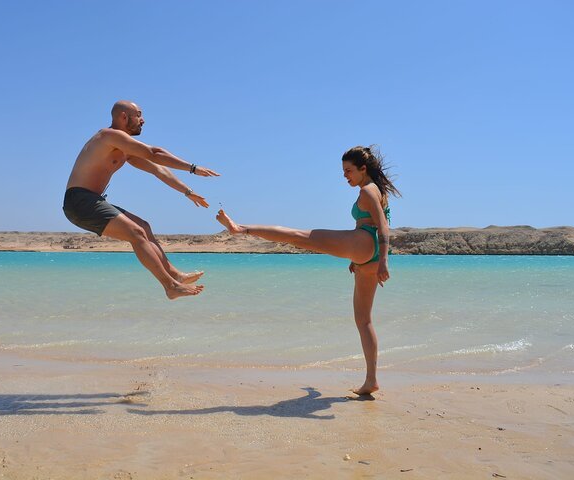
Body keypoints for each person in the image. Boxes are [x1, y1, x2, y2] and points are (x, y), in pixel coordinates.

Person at [216, 146, 400, 395]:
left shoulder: (367, 190)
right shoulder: (376, 189)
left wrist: (384, 261)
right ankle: (371, 381)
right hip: (367, 253)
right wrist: (362, 257)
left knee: (299, 236)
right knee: (363, 320)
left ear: (363, 169)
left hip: (366, 245)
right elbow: (377, 226)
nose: (345, 176)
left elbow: (383, 227)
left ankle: (241, 229)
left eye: (348, 171)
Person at [64, 100, 220, 299]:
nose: (143, 120)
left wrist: (187, 192)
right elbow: (154, 153)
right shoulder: (109, 136)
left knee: (144, 227)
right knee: (136, 233)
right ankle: (170, 286)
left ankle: (174, 275)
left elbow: (158, 169)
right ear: (123, 117)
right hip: (79, 201)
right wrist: (193, 168)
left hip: (91, 200)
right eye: (138, 114)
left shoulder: (124, 149)